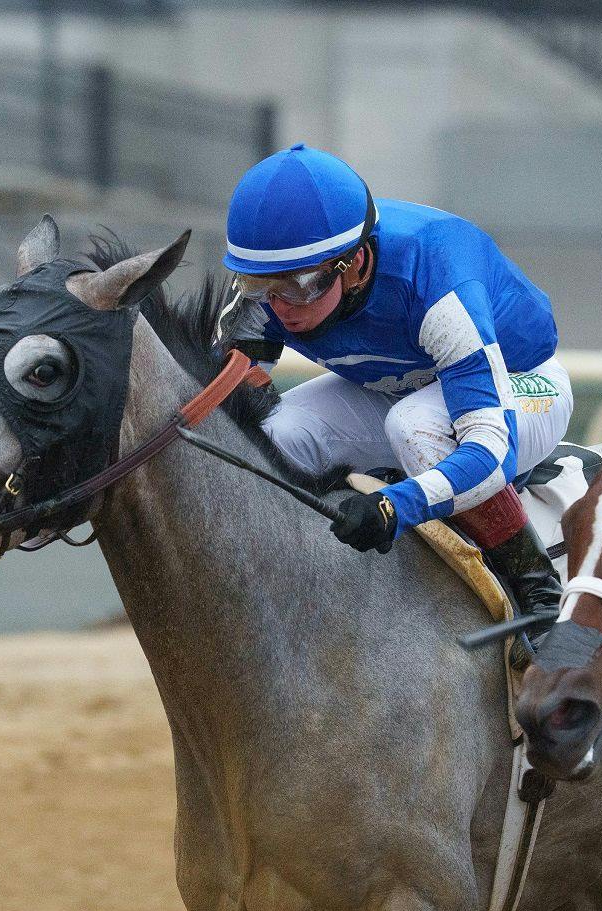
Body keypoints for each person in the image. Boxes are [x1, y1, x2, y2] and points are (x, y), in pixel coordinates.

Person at [217, 143, 573, 630]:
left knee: (414, 425)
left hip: (520, 380)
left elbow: (492, 453)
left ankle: (536, 587)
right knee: (278, 433)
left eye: (300, 286)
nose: (281, 306)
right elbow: (227, 385)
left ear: (357, 262)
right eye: (261, 285)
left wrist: (393, 506)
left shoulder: (437, 279)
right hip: (403, 387)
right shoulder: (282, 278)